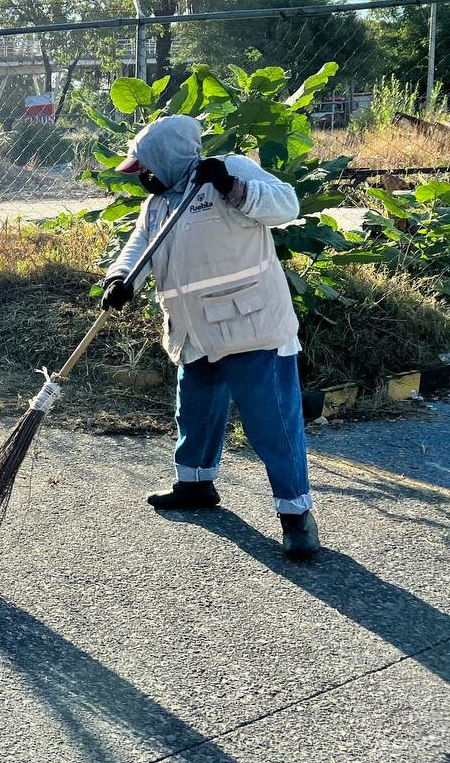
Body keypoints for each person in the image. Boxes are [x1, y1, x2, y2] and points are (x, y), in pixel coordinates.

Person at [100, 115, 320, 560]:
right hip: (194, 332)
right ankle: (195, 484)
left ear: (168, 159)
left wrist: (233, 187)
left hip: (252, 328)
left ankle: (296, 515)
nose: (143, 177)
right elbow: (140, 245)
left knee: (273, 425)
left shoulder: (228, 171)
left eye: (146, 167)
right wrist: (122, 278)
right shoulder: (158, 204)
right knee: (195, 413)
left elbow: (286, 205)